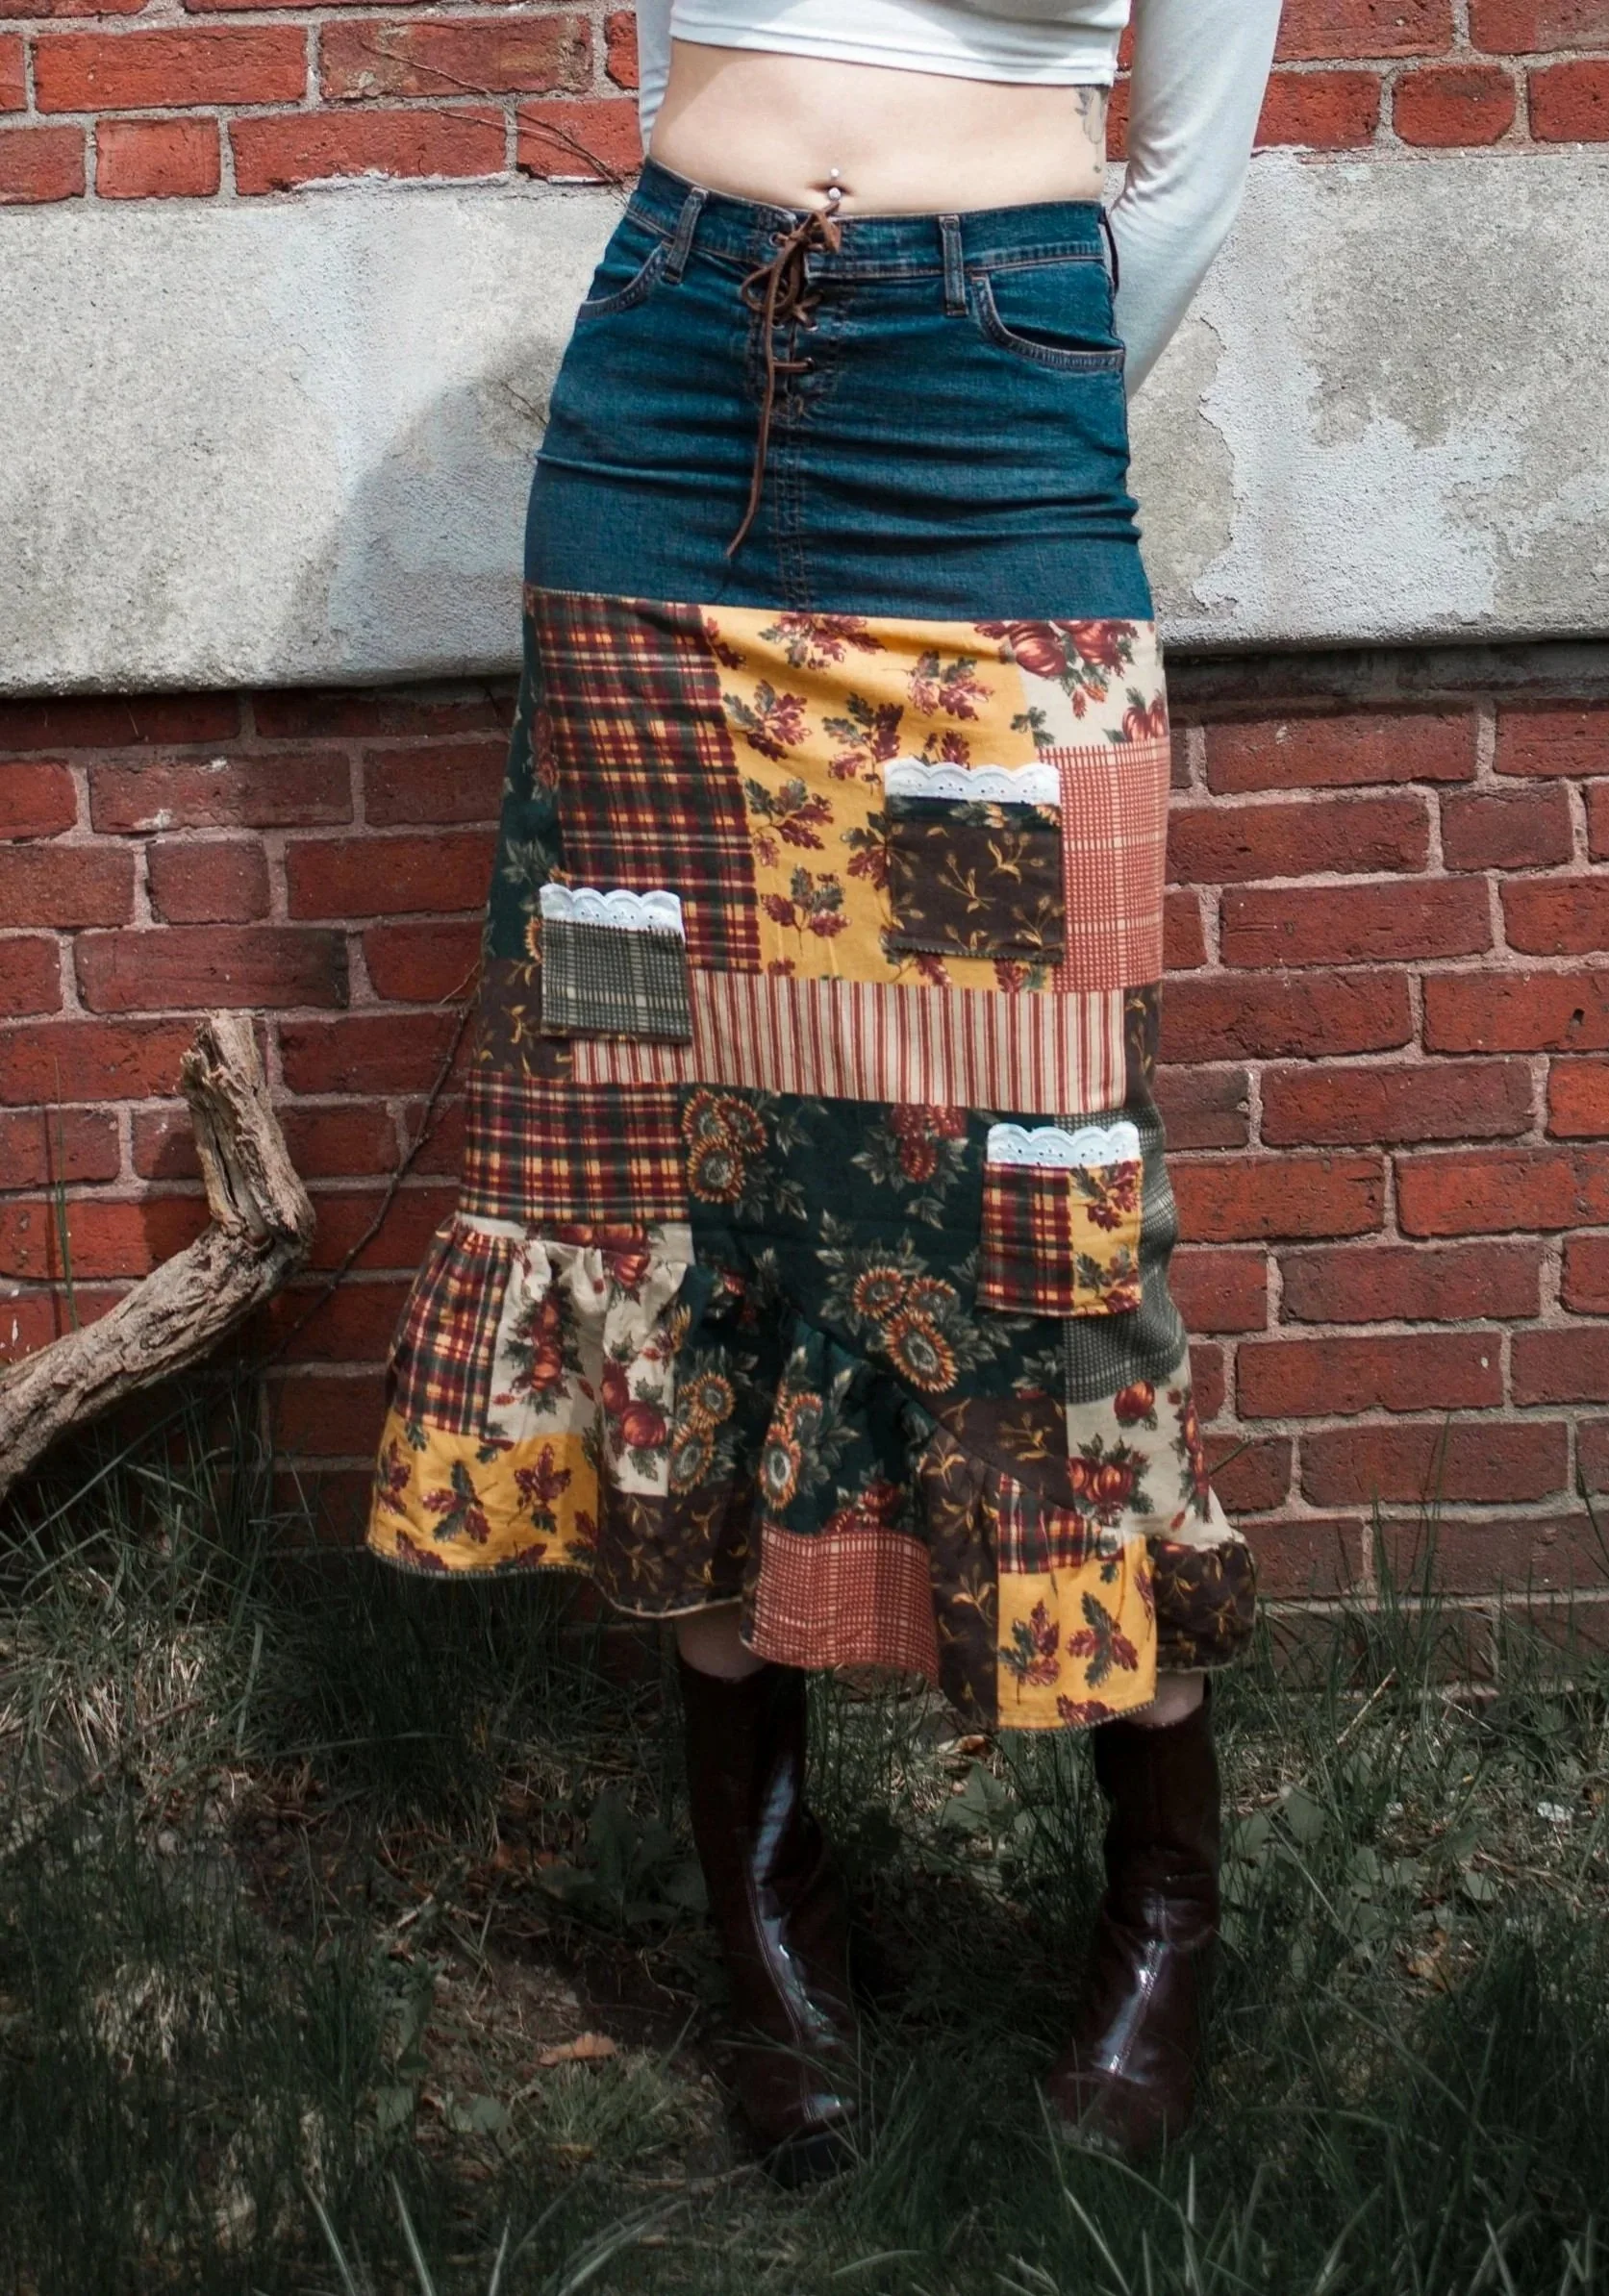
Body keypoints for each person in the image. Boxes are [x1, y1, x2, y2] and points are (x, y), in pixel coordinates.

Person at [367, 0, 1282, 2180]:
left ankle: (1160, 1904)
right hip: (672, 383)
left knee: (1039, 1174)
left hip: (993, 423)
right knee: (666, 1155)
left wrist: (987, 363)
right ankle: (766, 1906)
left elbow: (1189, 165)